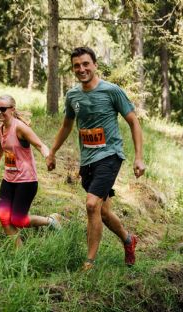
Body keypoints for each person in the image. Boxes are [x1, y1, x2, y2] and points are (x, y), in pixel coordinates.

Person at [46, 47, 146, 270]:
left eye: (85, 64)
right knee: (103, 211)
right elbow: (66, 126)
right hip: (88, 160)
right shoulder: (72, 96)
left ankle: (89, 262)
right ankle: (129, 240)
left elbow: (133, 122)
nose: (81, 69)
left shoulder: (112, 91)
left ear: (95, 64)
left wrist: (139, 157)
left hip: (110, 156)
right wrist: (52, 152)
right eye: (76, 66)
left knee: (91, 205)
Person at [0, 94, 61, 248]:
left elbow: (40, 145)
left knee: (18, 220)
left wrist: (48, 157)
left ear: (12, 109)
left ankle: (50, 221)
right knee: (4, 217)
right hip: (8, 179)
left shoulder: (20, 128)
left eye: (2, 109)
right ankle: (19, 255)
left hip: (26, 181)